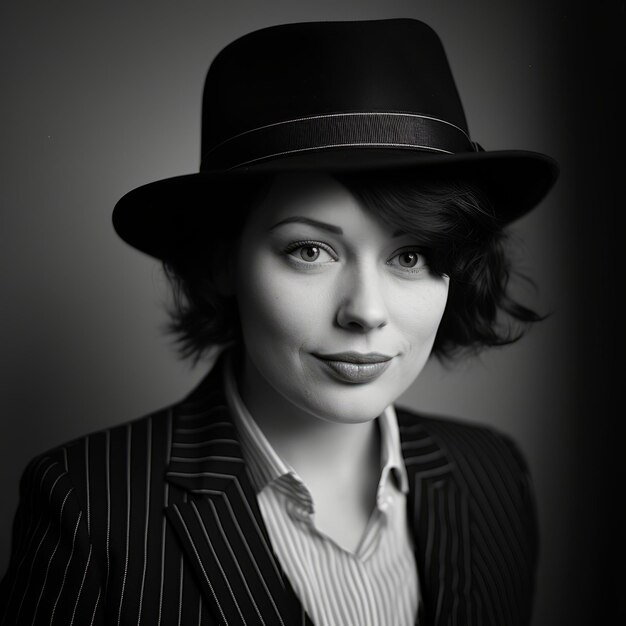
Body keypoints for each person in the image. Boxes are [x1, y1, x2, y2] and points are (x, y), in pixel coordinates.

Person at [0, 18, 558, 626]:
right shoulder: (88, 503)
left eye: (411, 255)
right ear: (222, 261)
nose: (366, 311)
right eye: (309, 251)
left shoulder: (494, 473)